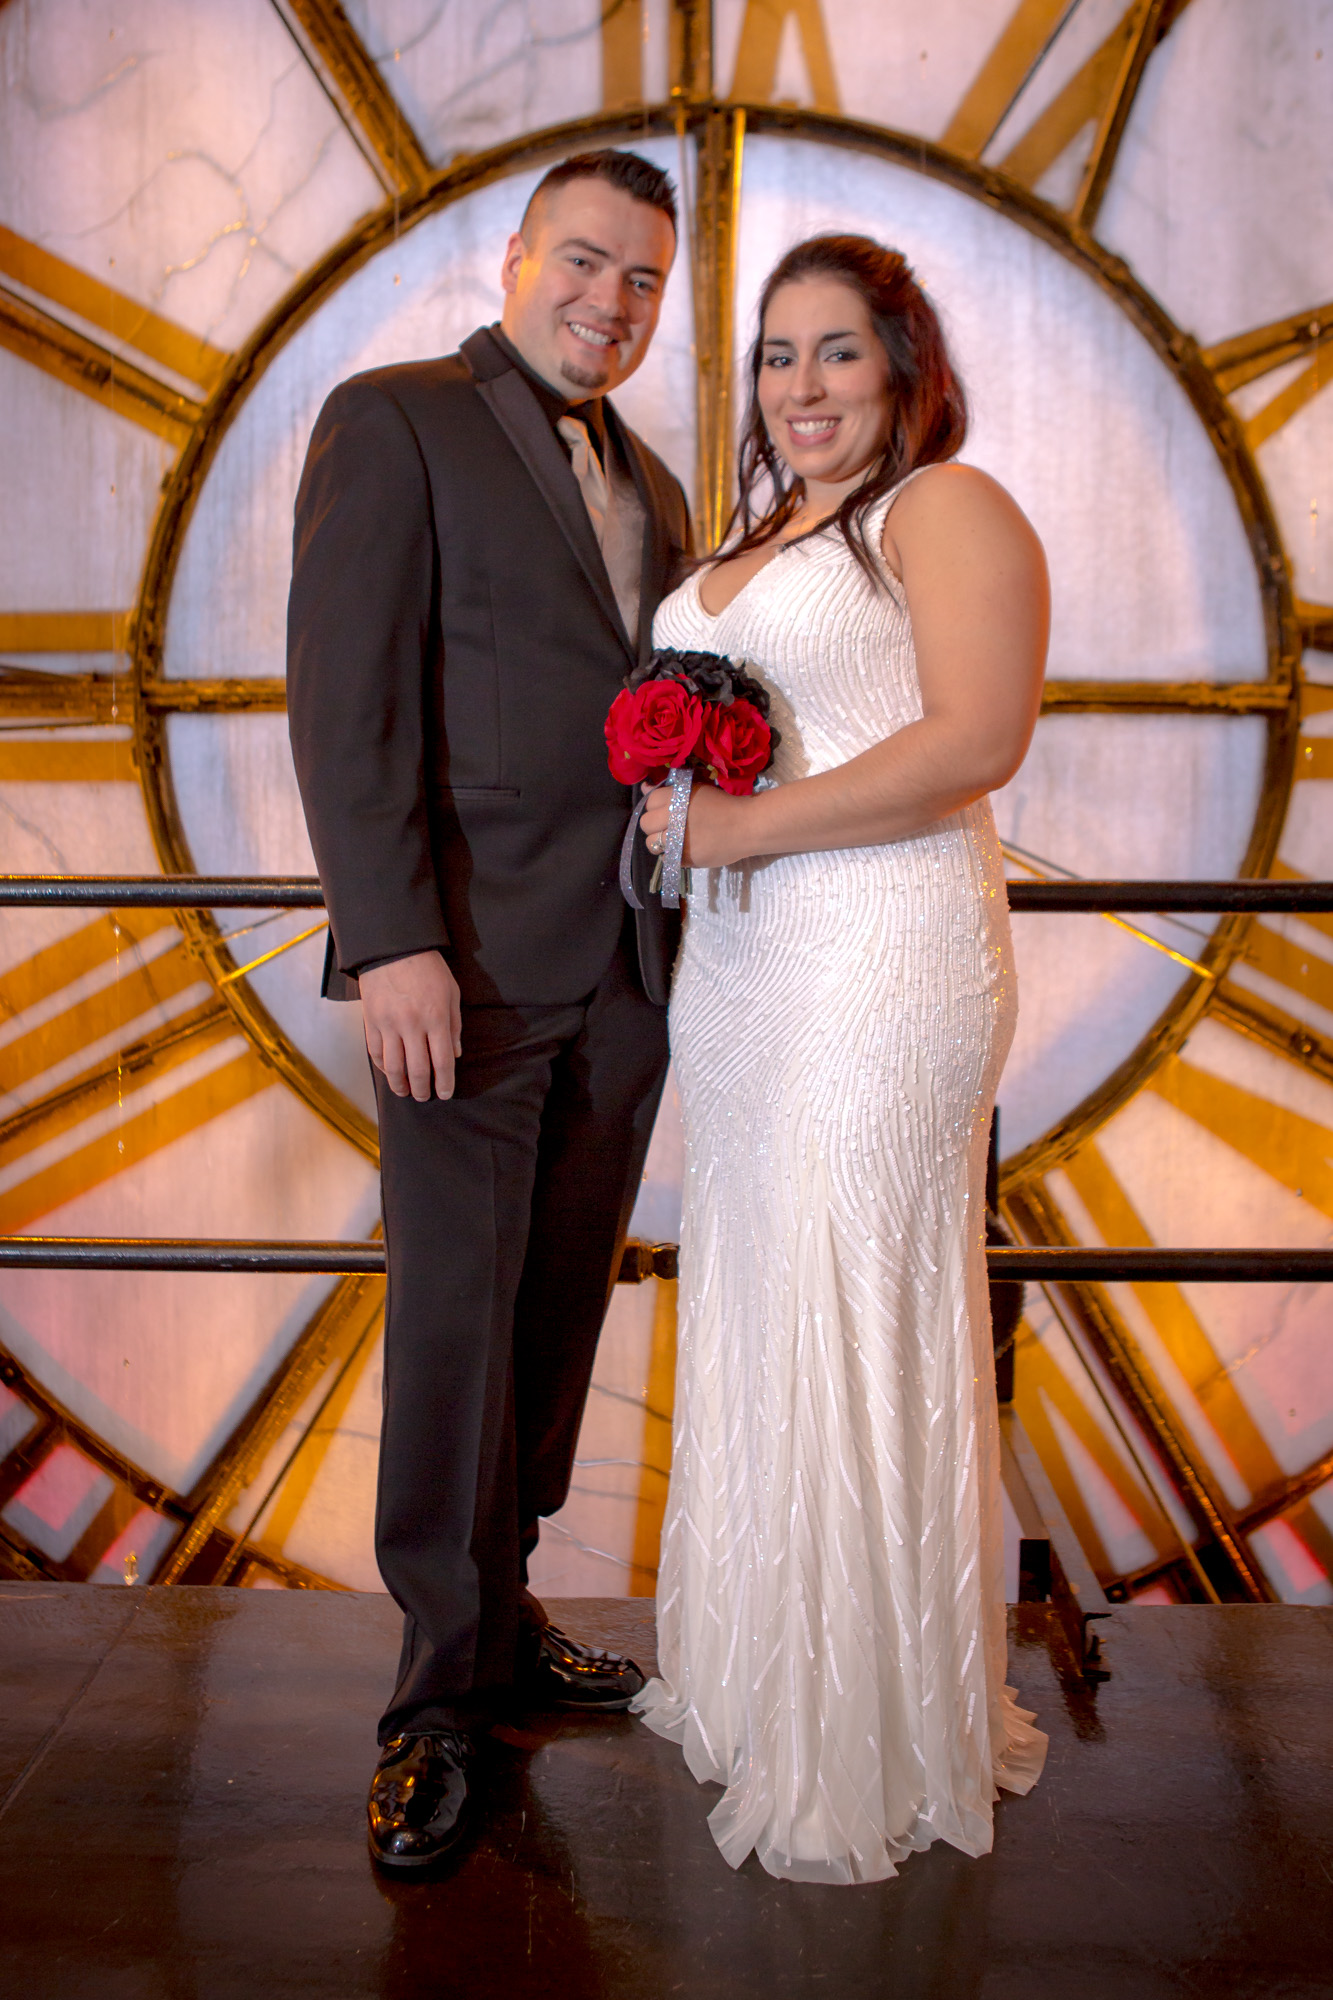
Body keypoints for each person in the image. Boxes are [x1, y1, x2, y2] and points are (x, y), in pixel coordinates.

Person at [286, 150, 690, 1872]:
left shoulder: (657, 482)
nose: (610, 302)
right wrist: (390, 942)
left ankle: (506, 1621)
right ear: (515, 256)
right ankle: (432, 1713)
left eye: (644, 283)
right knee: (455, 1327)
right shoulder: (392, 422)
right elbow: (343, 693)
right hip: (452, 967)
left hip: (622, 969)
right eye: (585, 262)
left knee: (550, 1322)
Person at [634, 234, 1050, 1884]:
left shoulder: (942, 509)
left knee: (849, 1298)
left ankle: (867, 1722)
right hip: (739, 969)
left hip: (879, 959)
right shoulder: (760, 536)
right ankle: (761, 1675)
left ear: (901, 365)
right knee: (756, 1291)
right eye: (774, 357)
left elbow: (974, 740)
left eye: (834, 355)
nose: (798, 389)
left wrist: (737, 820)